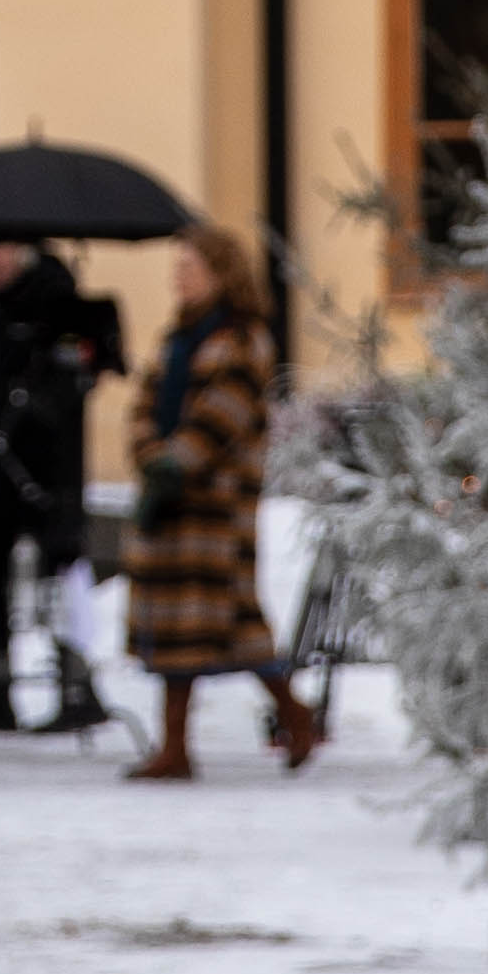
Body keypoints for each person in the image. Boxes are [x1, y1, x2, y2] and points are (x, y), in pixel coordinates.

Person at [124, 225, 322, 779]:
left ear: (220, 273)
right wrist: (149, 455)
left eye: (189, 268)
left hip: (215, 508)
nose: (179, 278)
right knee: (181, 630)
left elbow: (222, 417)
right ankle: (178, 746)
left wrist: (173, 464)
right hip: (169, 508)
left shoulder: (242, 340)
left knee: (228, 623)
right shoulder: (176, 338)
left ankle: (291, 714)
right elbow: (143, 405)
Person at [0, 237, 127, 734]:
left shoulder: (57, 300)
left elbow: (93, 367)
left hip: (46, 469)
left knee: (61, 574)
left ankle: (77, 688)